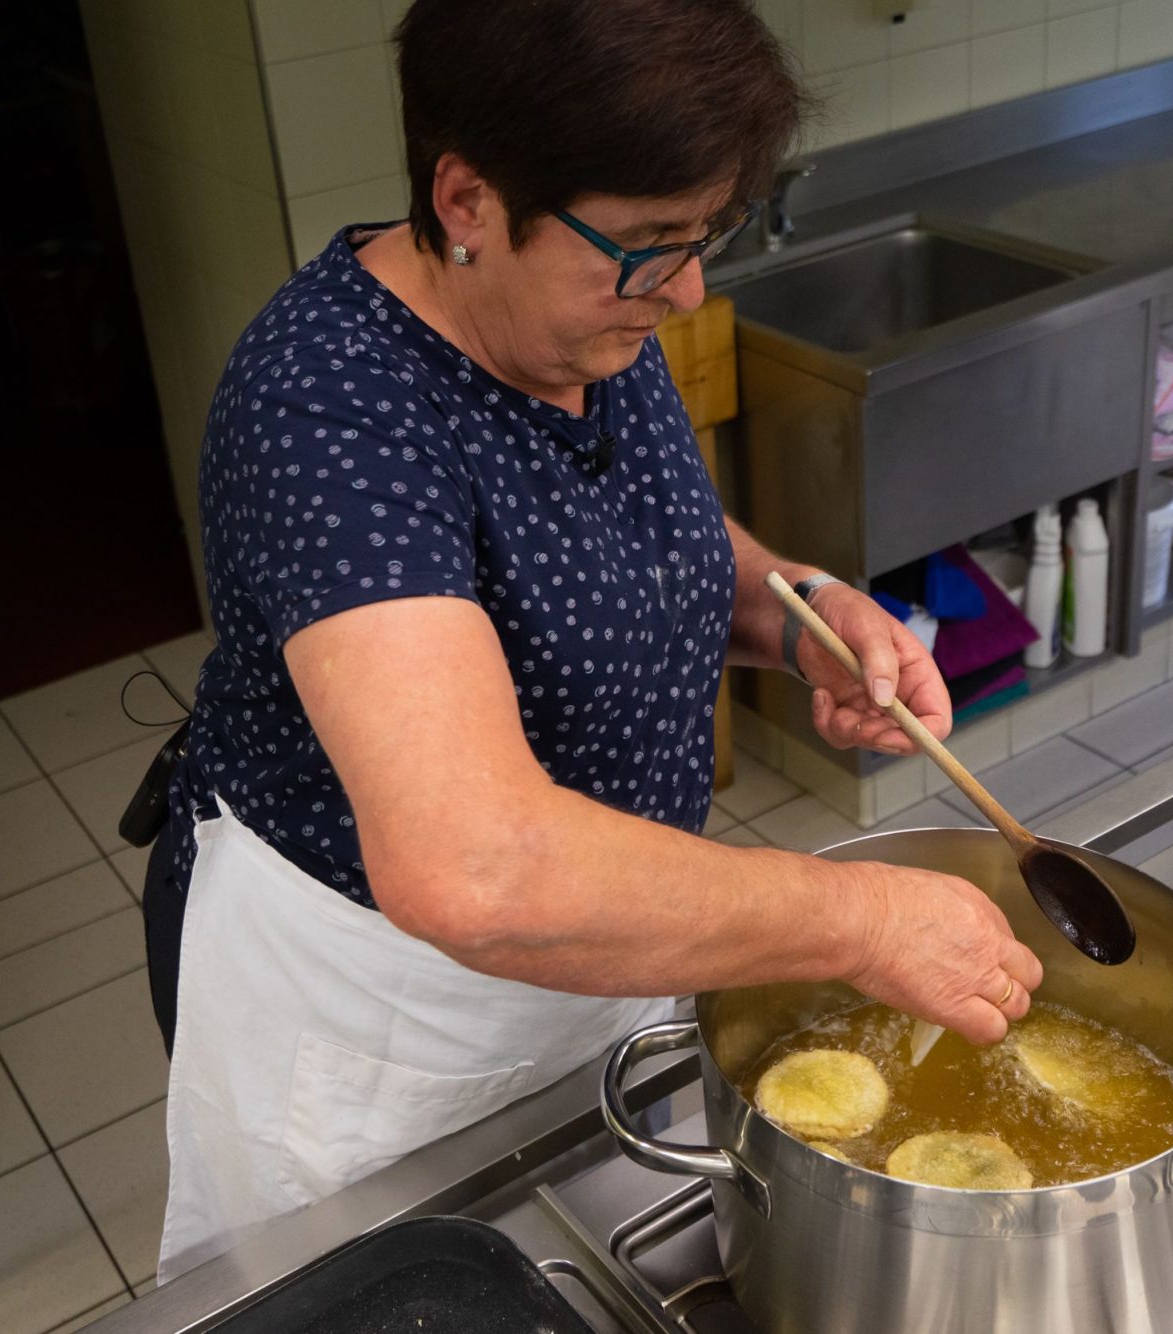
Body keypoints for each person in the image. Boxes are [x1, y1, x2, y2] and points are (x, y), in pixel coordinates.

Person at [143, 0, 1042, 1283]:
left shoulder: (572, 313)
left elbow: (626, 537)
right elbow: (473, 869)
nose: (685, 291)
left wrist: (790, 607)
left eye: (704, 235)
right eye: (648, 246)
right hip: (382, 1008)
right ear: (465, 199)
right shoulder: (329, 408)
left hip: (593, 945)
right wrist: (858, 918)